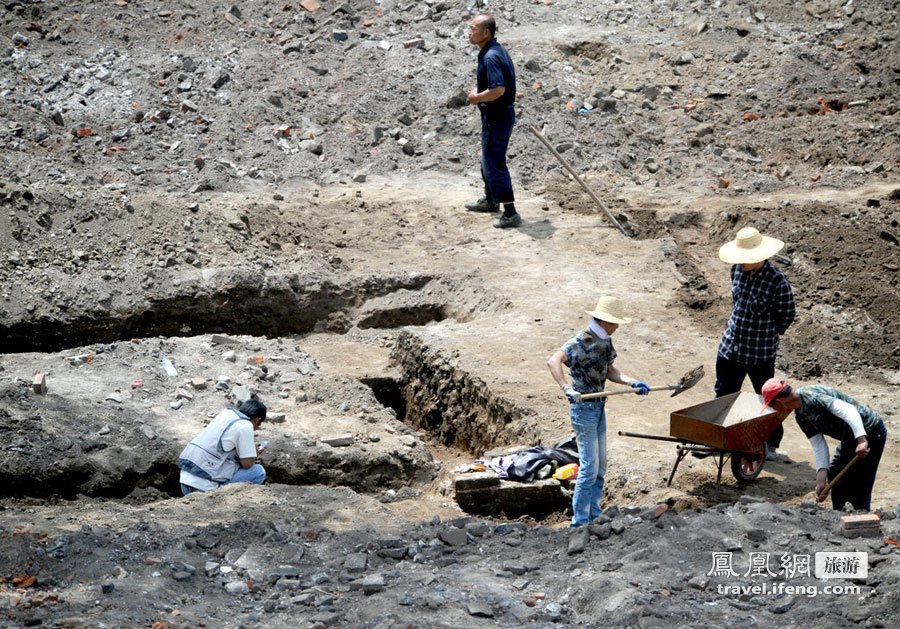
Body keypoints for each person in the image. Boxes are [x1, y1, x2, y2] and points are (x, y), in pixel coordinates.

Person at [547, 296, 650, 527]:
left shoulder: (605, 341)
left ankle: (594, 512)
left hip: (599, 406)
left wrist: (632, 382)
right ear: (605, 321)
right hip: (583, 410)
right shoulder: (580, 341)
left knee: (600, 466)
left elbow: (610, 371)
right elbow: (554, 361)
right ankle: (580, 521)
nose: (618, 326)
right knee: (589, 468)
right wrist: (567, 388)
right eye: (615, 322)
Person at [715, 226, 795, 460]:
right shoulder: (736, 271)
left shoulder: (777, 283)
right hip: (731, 347)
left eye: (745, 259)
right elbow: (736, 303)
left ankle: (769, 446)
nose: (740, 263)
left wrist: (766, 334)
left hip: (760, 352)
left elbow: (786, 314)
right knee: (724, 394)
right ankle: (722, 439)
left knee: (768, 399)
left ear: (759, 257)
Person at [761, 378, 886, 511]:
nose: (773, 409)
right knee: (836, 476)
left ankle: (861, 520)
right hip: (850, 438)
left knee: (859, 481)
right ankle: (840, 515)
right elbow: (818, 445)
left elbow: (848, 410)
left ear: (780, 402)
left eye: (771, 405)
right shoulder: (800, 415)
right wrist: (821, 481)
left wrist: (862, 440)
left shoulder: (812, 396)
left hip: (870, 431)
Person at [463, 13, 521, 229]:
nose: (469, 32)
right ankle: (490, 200)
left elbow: (498, 89)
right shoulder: (496, 50)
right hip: (499, 115)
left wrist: (477, 98)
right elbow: (496, 85)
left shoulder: (490, 56)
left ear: (485, 32)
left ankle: (511, 213)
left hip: (497, 117)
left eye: (473, 28)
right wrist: (480, 92)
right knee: (488, 159)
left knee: (495, 162)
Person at [178, 399, 268, 495]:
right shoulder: (246, 425)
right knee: (258, 472)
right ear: (257, 420)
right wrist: (252, 453)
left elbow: (222, 446)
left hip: (185, 483)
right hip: (202, 489)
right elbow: (247, 464)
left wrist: (249, 447)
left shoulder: (226, 414)